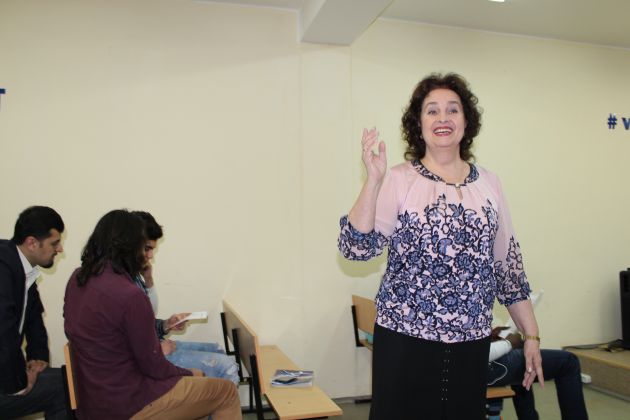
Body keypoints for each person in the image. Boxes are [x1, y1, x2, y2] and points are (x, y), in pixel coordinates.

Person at [338, 73, 543, 420]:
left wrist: (532, 335)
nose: (443, 118)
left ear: (466, 121)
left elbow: (507, 268)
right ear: (419, 125)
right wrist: (373, 181)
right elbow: (355, 249)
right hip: (405, 342)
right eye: (432, 110)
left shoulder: (490, 184)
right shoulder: (399, 179)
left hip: (470, 344)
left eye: (452, 109)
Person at [63, 209, 241, 420]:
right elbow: (153, 366)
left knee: (208, 368)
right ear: (129, 247)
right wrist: (191, 374)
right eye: (143, 247)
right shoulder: (129, 294)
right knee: (226, 392)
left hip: (92, 401)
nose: (147, 255)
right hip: (128, 402)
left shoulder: (77, 279)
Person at [132, 210, 239, 384]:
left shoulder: (134, 276)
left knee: (218, 350)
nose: (150, 255)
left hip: (155, 346)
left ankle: (213, 402)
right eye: (147, 248)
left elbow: (145, 319)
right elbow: (123, 340)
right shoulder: (120, 284)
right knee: (227, 367)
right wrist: (156, 351)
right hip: (149, 356)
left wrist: (166, 324)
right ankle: (214, 402)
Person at [0, 206, 67, 419]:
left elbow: (33, 317)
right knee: (66, 387)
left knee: (67, 381)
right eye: (54, 243)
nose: (60, 249)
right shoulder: (3, 267)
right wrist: (18, 383)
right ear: (32, 243)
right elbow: (3, 331)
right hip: (4, 377)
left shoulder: (19, 266)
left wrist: (38, 357)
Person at [488, 327, 588, 420]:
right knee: (568, 362)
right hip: (484, 366)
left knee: (523, 355)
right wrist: (508, 343)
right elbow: (481, 353)